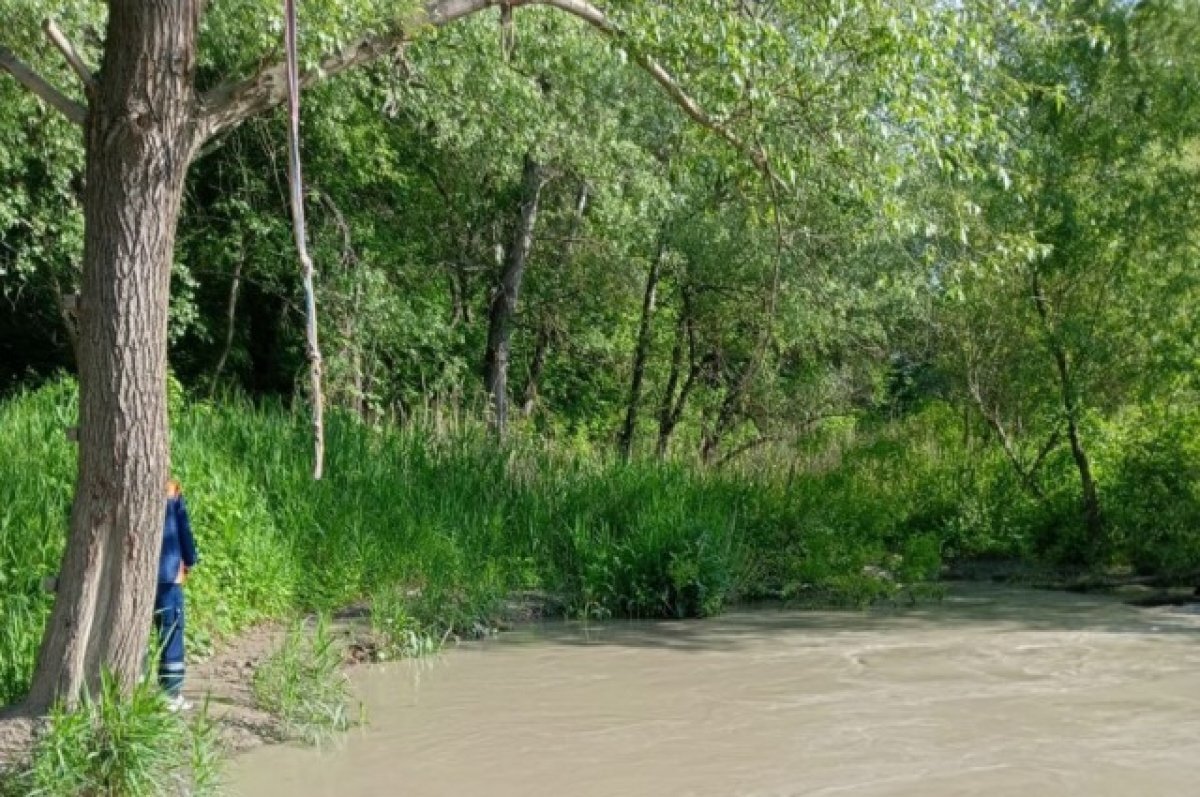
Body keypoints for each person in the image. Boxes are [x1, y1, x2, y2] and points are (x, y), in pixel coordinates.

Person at [155, 478, 199, 712]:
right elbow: (183, 528)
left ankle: (135, 688)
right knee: (171, 631)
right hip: (168, 574)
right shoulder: (171, 489)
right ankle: (170, 693)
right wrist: (190, 559)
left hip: (136, 577)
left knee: (138, 632)